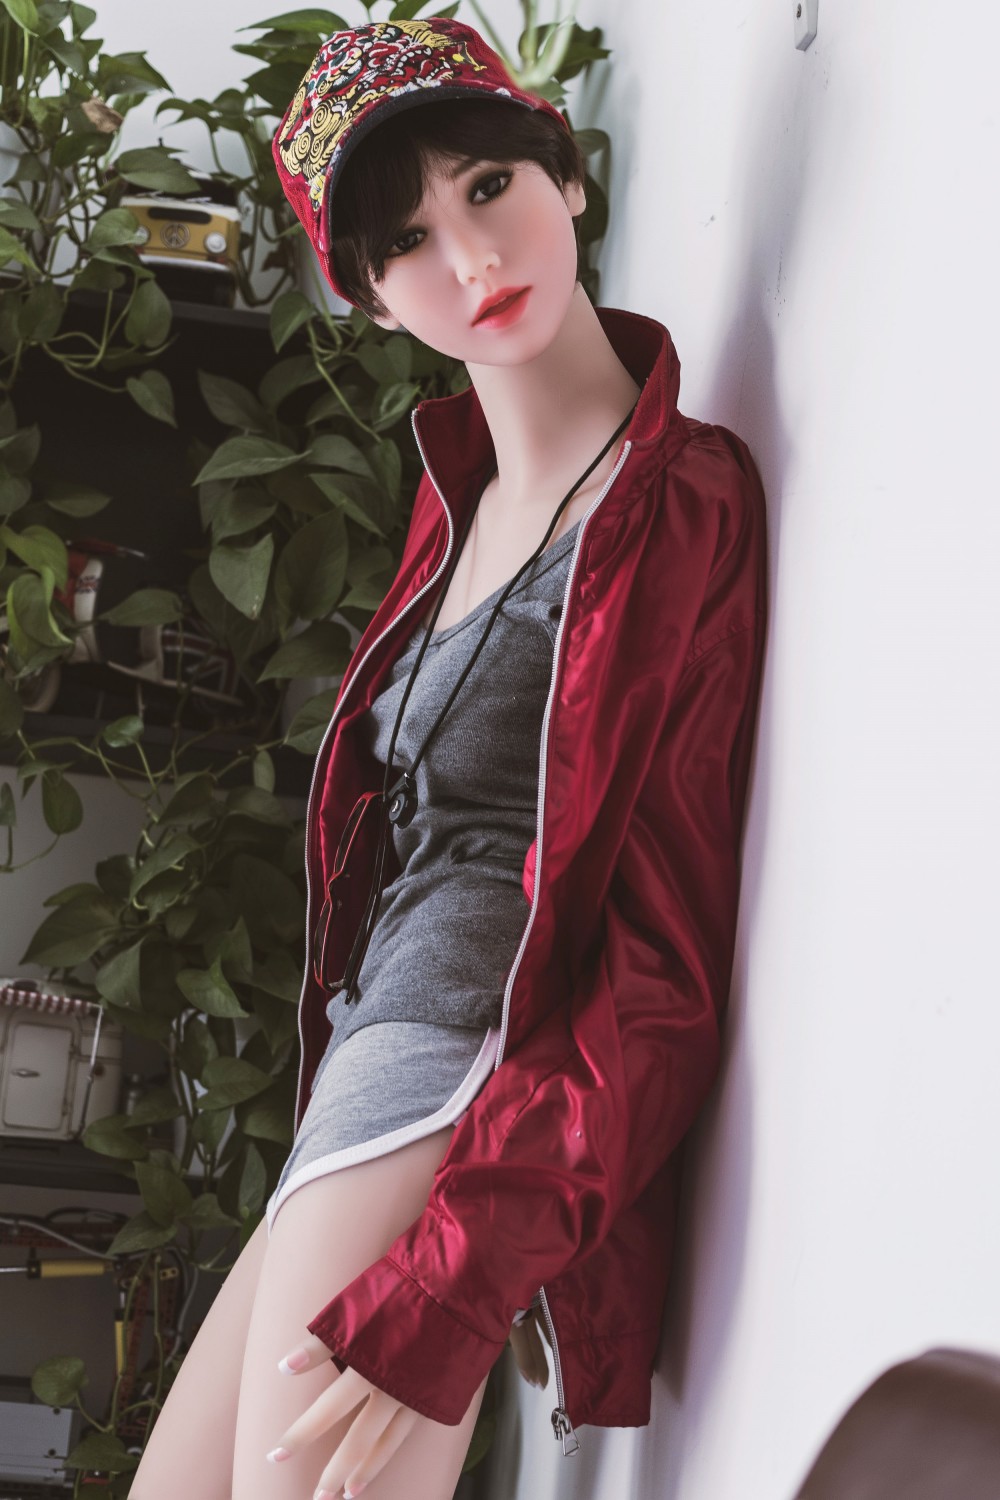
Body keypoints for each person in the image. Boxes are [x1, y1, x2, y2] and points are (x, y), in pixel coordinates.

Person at [130, 17, 768, 1500]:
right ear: (365, 296)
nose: (474, 258)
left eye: (488, 186)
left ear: (564, 173)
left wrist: (458, 1280)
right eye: (408, 240)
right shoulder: (458, 504)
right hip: (368, 1072)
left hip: (451, 1079)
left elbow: (662, 974)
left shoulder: (674, 502)